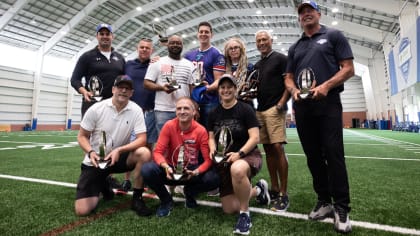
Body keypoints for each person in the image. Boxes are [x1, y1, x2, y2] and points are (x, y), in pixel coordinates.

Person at [284, 0, 354, 233]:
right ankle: (324, 200)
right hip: (303, 109)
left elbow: (348, 68)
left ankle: (341, 207)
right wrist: (293, 90)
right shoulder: (295, 47)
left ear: (318, 13)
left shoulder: (334, 35)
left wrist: (325, 86)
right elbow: (288, 76)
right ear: (299, 18)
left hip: (328, 104)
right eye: (302, 12)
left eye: (309, 11)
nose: (305, 14)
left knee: (334, 155)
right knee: (313, 157)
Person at [74, 75, 152, 217]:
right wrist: (90, 152)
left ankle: (137, 198)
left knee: (144, 153)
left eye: (127, 88)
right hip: (96, 161)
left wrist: (120, 150)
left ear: (131, 93)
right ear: (113, 89)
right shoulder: (96, 108)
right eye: (120, 87)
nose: (123, 91)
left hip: (118, 158)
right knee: (82, 210)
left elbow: (142, 139)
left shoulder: (136, 110)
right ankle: (103, 184)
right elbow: (82, 136)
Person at [208, 74, 270, 235]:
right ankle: (258, 190)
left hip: (247, 155)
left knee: (237, 169)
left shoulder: (245, 109)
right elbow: (210, 137)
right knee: (229, 208)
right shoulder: (214, 112)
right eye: (223, 87)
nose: (226, 90)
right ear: (219, 91)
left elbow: (255, 137)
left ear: (235, 89)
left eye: (229, 87)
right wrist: (212, 149)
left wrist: (239, 153)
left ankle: (245, 215)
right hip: (224, 159)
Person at [141, 97, 220, 217]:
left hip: (191, 171)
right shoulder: (169, 126)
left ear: (194, 112)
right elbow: (157, 152)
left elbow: (208, 160)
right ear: (176, 111)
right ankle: (166, 201)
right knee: (147, 169)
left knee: (215, 177)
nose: (182, 111)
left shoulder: (201, 130)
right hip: (170, 170)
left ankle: (189, 192)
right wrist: (165, 166)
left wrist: (196, 172)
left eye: (186, 108)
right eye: (179, 108)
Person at [254, 30, 290, 211]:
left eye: (264, 39)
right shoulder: (258, 65)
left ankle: (284, 192)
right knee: (268, 149)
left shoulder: (281, 58)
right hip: (260, 110)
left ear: (271, 40)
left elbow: (289, 83)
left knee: (277, 148)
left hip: (275, 109)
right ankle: (274, 188)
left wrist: (281, 103)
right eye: (259, 40)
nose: (262, 43)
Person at [120, 38, 158, 193]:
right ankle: (127, 180)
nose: (144, 50)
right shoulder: (128, 65)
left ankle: (144, 179)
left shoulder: (156, 64)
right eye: (142, 47)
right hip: (131, 113)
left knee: (148, 147)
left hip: (150, 112)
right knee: (130, 147)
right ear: (137, 48)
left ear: (151, 50)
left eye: (147, 48)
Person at [70, 23, 125, 117]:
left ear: (112, 36)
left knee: (112, 131)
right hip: (92, 103)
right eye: (102, 34)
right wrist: (84, 91)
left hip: (114, 104)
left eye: (107, 34)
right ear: (97, 36)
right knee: (90, 132)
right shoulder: (87, 56)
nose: (105, 36)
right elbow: (75, 79)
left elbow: (126, 79)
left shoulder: (120, 58)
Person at [144, 35, 194, 132]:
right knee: (164, 142)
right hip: (163, 110)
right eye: (172, 43)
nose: (175, 45)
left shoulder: (189, 64)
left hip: (185, 110)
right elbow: (146, 83)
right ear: (167, 45)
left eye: (178, 43)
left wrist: (193, 105)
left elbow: (191, 87)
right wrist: (162, 88)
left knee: (184, 140)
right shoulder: (158, 62)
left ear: (182, 45)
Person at [184, 21, 225, 128]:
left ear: (211, 34)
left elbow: (219, 80)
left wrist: (205, 88)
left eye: (206, 32)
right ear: (197, 34)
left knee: (209, 134)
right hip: (191, 102)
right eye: (201, 32)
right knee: (192, 134)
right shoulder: (189, 55)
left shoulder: (217, 54)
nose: (203, 34)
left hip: (210, 101)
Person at [223, 37, 254, 106]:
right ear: (227, 52)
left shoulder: (249, 67)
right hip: (228, 103)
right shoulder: (223, 68)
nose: (233, 50)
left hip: (245, 103)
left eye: (236, 47)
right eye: (230, 48)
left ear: (241, 49)